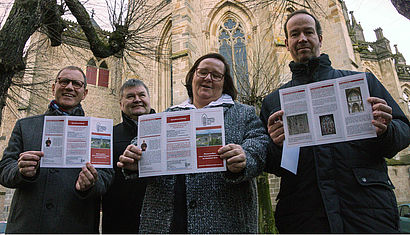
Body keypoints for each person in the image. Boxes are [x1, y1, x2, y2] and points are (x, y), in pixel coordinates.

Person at [260, 9, 410, 233]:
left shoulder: (361, 81)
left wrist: (386, 130)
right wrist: (275, 145)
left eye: (308, 32)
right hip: (304, 216)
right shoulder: (274, 101)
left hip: (368, 212)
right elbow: (272, 163)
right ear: (287, 42)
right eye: (295, 34)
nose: (302, 38)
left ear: (319, 38)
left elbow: (404, 131)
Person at [118, 53, 270, 233]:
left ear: (224, 82)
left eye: (216, 75)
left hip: (225, 219)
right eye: (203, 72)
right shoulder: (168, 114)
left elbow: (260, 144)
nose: (208, 78)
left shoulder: (244, 113)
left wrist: (246, 157)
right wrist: (135, 160)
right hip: (167, 220)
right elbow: (140, 143)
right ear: (192, 77)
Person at [0, 66, 114, 233]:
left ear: (85, 93)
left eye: (76, 84)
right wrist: (20, 170)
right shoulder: (26, 126)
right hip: (28, 227)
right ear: (54, 87)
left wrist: (91, 183)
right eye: (64, 81)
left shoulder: (98, 130)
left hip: (75, 226)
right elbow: (4, 169)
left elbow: (106, 177)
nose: (69, 87)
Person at [101, 79, 154, 233]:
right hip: (119, 221)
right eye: (130, 96)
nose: (137, 100)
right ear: (121, 104)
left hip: (158, 221)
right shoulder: (108, 136)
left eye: (142, 95)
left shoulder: (167, 130)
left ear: (149, 99)